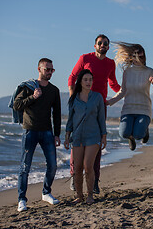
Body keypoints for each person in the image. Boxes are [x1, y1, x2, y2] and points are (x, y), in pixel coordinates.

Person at [68, 34, 121, 193]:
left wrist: (126, 91)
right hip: (81, 103)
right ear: (95, 45)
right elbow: (72, 77)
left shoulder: (111, 63)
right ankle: (74, 176)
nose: (103, 45)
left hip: (99, 105)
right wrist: (74, 98)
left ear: (108, 47)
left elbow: (113, 83)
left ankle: (95, 180)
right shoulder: (85, 58)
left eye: (106, 43)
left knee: (96, 143)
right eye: (100, 43)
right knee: (77, 140)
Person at [13, 58, 61, 212]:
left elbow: (57, 114)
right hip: (29, 131)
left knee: (53, 165)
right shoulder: (29, 87)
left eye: (51, 70)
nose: (49, 72)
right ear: (39, 69)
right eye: (47, 69)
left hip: (47, 131)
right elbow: (16, 104)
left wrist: (57, 134)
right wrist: (33, 97)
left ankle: (46, 192)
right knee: (25, 167)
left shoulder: (54, 90)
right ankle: (21, 199)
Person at [107, 42, 153, 150]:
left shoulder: (149, 71)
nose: (139, 58)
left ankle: (145, 131)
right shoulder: (127, 72)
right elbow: (123, 91)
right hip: (128, 109)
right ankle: (130, 138)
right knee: (123, 133)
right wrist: (110, 101)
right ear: (131, 56)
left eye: (141, 55)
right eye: (136, 55)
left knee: (138, 135)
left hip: (144, 109)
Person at [64, 70, 107, 204]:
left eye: (90, 80)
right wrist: (67, 136)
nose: (89, 82)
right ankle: (79, 196)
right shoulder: (74, 99)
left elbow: (101, 118)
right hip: (77, 137)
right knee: (77, 168)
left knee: (88, 166)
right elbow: (70, 120)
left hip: (93, 137)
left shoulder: (98, 97)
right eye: (86, 80)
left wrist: (103, 136)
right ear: (80, 82)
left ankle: (90, 195)